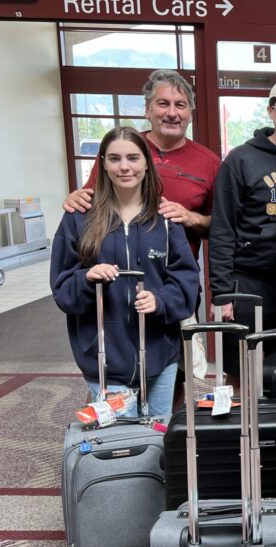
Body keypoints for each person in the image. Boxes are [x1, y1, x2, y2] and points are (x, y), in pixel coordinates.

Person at [51, 127, 200, 420]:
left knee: (157, 436)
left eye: (133, 158)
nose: (124, 167)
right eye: (115, 159)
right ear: (103, 163)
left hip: (160, 351)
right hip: (105, 356)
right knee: (117, 441)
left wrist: (161, 300)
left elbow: (187, 281)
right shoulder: (79, 217)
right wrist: (86, 279)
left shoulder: (165, 220)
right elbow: (62, 287)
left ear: (147, 162)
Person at [208, 78, 276, 381]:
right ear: (270, 110)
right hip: (249, 283)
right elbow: (222, 229)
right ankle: (246, 428)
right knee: (243, 373)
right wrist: (222, 292)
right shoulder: (241, 160)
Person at [63, 69, 220, 262]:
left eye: (180, 105)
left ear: (190, 113)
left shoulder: (209, 163)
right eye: (163, 104)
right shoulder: (120, 152)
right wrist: (76, 200)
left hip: (176, 278)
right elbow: (91, 202)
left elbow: (221, 227)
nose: (172, 113)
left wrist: (191, 218)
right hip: (115, 273)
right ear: (147, 110)